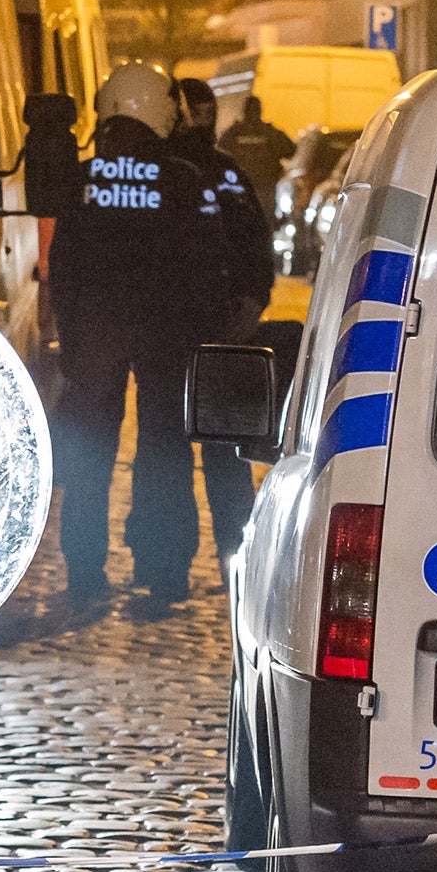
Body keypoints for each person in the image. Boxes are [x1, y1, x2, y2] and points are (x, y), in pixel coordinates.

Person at [48, 61, 228, 618]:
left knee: (89, 455)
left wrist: (71, 337)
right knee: (164, 450)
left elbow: (63, 264)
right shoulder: (182, 179)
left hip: (96, 334)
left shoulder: (81, 181)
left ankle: (84, 568)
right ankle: (165, 567)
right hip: (165, 334)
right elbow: (206, 261)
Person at [172, 77, 276, 563]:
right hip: (219, 331)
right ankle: (236, 554)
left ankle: (168, 565)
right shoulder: (223, 171)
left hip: (178, 334)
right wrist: (251, 304)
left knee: (170, 452)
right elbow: (257, 248)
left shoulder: (169, 173)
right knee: (222, 453)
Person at [218, 93, 295, 228]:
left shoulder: (232, 133)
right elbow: (290, 150)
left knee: (238, 228)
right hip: (263, 190)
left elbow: (219, 155)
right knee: (264, 227)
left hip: (238, 191)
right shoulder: (270, 133)